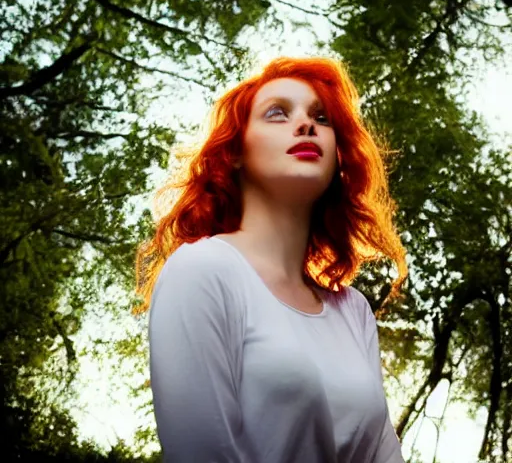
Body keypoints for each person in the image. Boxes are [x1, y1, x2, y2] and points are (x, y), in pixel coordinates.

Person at [135, 56, 408, 462]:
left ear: (338, 159)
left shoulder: (353, 311)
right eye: (277, 112)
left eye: (322, 117)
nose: (306, 124)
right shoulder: (201, 271)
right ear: (235, 153)